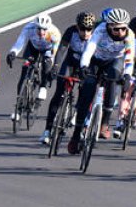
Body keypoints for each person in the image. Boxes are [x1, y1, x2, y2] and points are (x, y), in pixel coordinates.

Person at [69, 8, 135, 154]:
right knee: (88, 90)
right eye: (117, 29)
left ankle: (104, 123)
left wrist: (127, 76)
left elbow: (129, 60)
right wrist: (84, 66)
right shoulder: (100, 31)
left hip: (115, 60)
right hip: (95, 59)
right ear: (109, 26)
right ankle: (76, 134)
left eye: (124, 28)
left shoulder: (129, 36)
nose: (121, 32)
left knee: (113, 76)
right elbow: (89, 50)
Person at [39, 11, 97, 146]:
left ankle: (82, 126)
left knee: (86, 94)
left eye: (89, 29)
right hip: (71, 62)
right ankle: (47, 130)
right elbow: (62, 49)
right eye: (83, 29)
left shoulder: (96, 36)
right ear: (77, 27)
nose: (86, 32)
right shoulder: (71, 31)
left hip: (88, 64)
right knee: (59, 93)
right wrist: (55, 66)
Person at [6, 13, 61, 109]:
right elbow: (20, 42)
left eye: (44, 29)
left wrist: (52, 64)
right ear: (35, 26)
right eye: (39, 28)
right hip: (32, 48)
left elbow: (55, 51)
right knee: (24, 72)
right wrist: (13, 52)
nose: (41, 32)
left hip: (48, 49)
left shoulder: (54, 33)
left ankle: (43, 87)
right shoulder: (29, 28)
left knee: (46, 65)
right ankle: (19, 103)